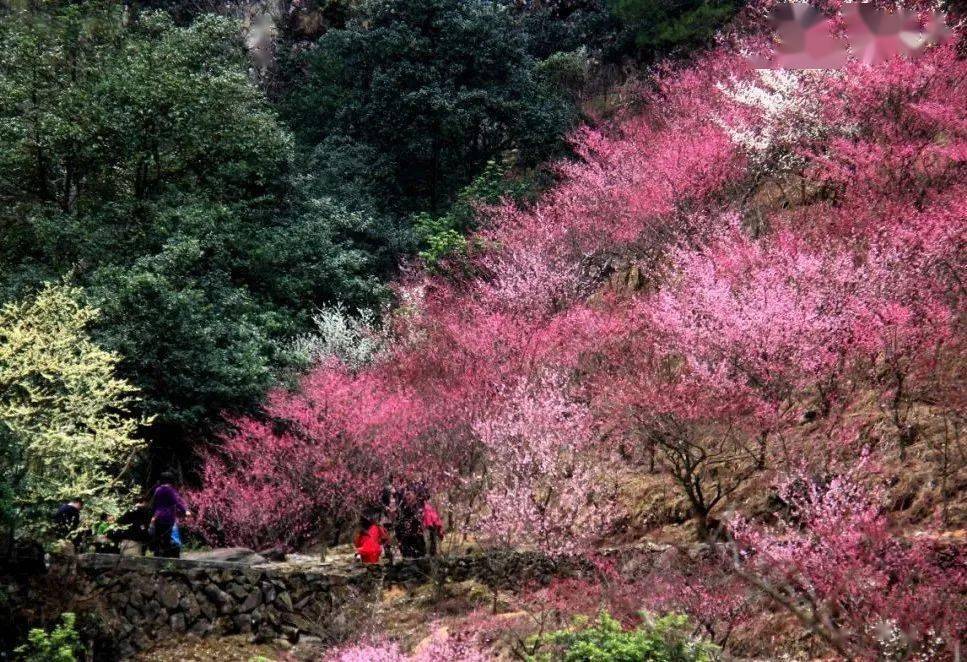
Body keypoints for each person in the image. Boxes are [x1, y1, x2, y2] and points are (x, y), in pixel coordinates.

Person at [148, 472, 190, 558]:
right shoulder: (169, 490)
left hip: (157, 517)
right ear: (171, 480)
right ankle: (167, 559)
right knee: (167, 540)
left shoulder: (158, 490)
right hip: (167, 518)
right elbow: (177, 502)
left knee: (159, 539)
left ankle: (158, 557)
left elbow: (155, 505)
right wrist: (185, 511)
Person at [394, 486, 426, 559]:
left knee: (419, 556)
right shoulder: (402, 508)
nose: (408, 498)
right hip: (405, 537)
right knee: (408, 557)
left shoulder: (418, 507)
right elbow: (398, 523)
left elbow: (419, 522)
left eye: (410, 496)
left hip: (416, 537)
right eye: (407, 497)